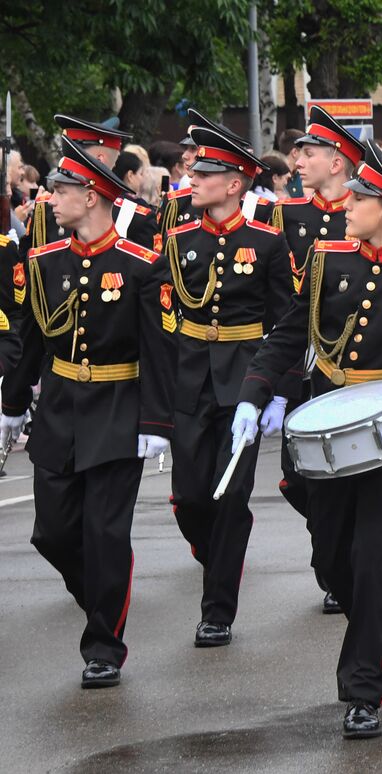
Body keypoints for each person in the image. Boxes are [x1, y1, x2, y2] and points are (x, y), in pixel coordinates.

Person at [231, 140, 382, 740]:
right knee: (330, 558)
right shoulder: (327, 260)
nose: (346, 204)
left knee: (372, 556)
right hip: (325, 425)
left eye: (360, 197)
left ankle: (363, 690)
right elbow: (285, 334)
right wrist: (255, 394)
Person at [0, 137, 172, 688]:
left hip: (118, 409)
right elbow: (30, 341)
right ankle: (104, 592)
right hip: (59, 407)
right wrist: (10, 407)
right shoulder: (44, 261)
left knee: (104, 533)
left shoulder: (141, 266)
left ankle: (104, 644)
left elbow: (158, 352)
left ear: (93, 197)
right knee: (51, 533)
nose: (50, 198)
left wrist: (156, 424)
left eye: (63, 190)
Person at [162, 127, 294, 648]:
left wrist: (278, 391)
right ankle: (216, 552)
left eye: (206, 174)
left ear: (235, 183)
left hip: (244, 376)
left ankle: (217, 610)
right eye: (194, 172)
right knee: (191, 498)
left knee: (231, 496)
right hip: (191, 377)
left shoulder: (267, 242)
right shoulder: (179, 242)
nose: (193, 179)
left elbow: (284, 321)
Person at [266, 105, 363, 613]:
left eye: (310, 152)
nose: (298, 160)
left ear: (339, 160)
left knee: (346, 471)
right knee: (294, 476)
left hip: (349, 360)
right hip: (297, 360)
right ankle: (332, 545)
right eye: (298, 151)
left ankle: (341, 561)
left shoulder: (366, 212)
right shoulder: (283, 216)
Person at [23, 115, 160, 254]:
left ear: (100, 160)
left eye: (75, 156)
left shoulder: (134, 215)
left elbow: (147, 268)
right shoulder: (47, 209)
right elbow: (31, 267)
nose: (66, 162)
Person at [278, 128, 306, 197]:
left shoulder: (301, 176)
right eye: (305, 153)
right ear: (294, 153)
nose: (307, 158)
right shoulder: (276, 178)